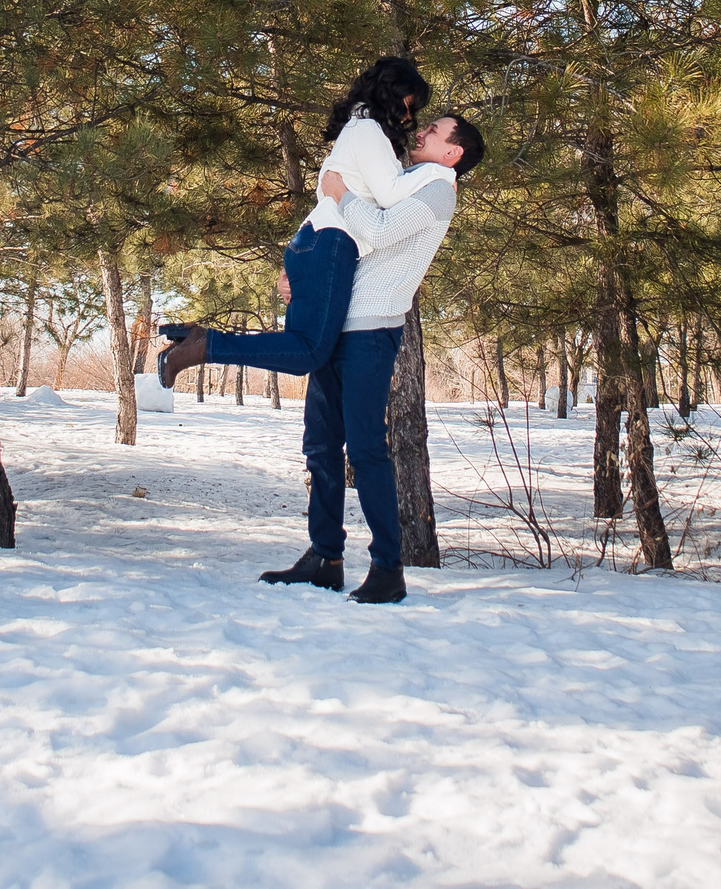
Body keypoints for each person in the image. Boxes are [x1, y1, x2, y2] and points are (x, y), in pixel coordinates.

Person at [158, 61, 484, 605]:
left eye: (437, 130)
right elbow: (353, 230)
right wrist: (303, 262)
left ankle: (387, 569)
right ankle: (325, 557)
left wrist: (337, 194)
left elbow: (375, 231)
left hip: (371, 330)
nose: (423, 129)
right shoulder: (410, 180)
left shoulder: (437, 192)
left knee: (367, 449)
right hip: (341, 320)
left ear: (454, 153)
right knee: (320, 446)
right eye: (426, 123)